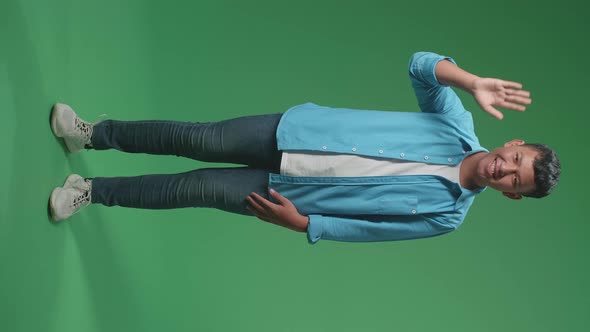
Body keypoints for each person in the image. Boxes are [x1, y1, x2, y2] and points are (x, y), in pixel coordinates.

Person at [49, 51, 561, 244]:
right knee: (194, 138)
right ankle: (91, 134)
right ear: (513, 144)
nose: (506, 169)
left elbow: (367, 230)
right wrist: (469, 81)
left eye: (516, 179)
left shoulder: (448, 217)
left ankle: (90, 190)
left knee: (195, 187)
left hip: (289, 194)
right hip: (291, 133)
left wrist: (306, 225)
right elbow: (420, 66)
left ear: (513, 195)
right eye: (517, 159)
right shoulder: (455, 122)